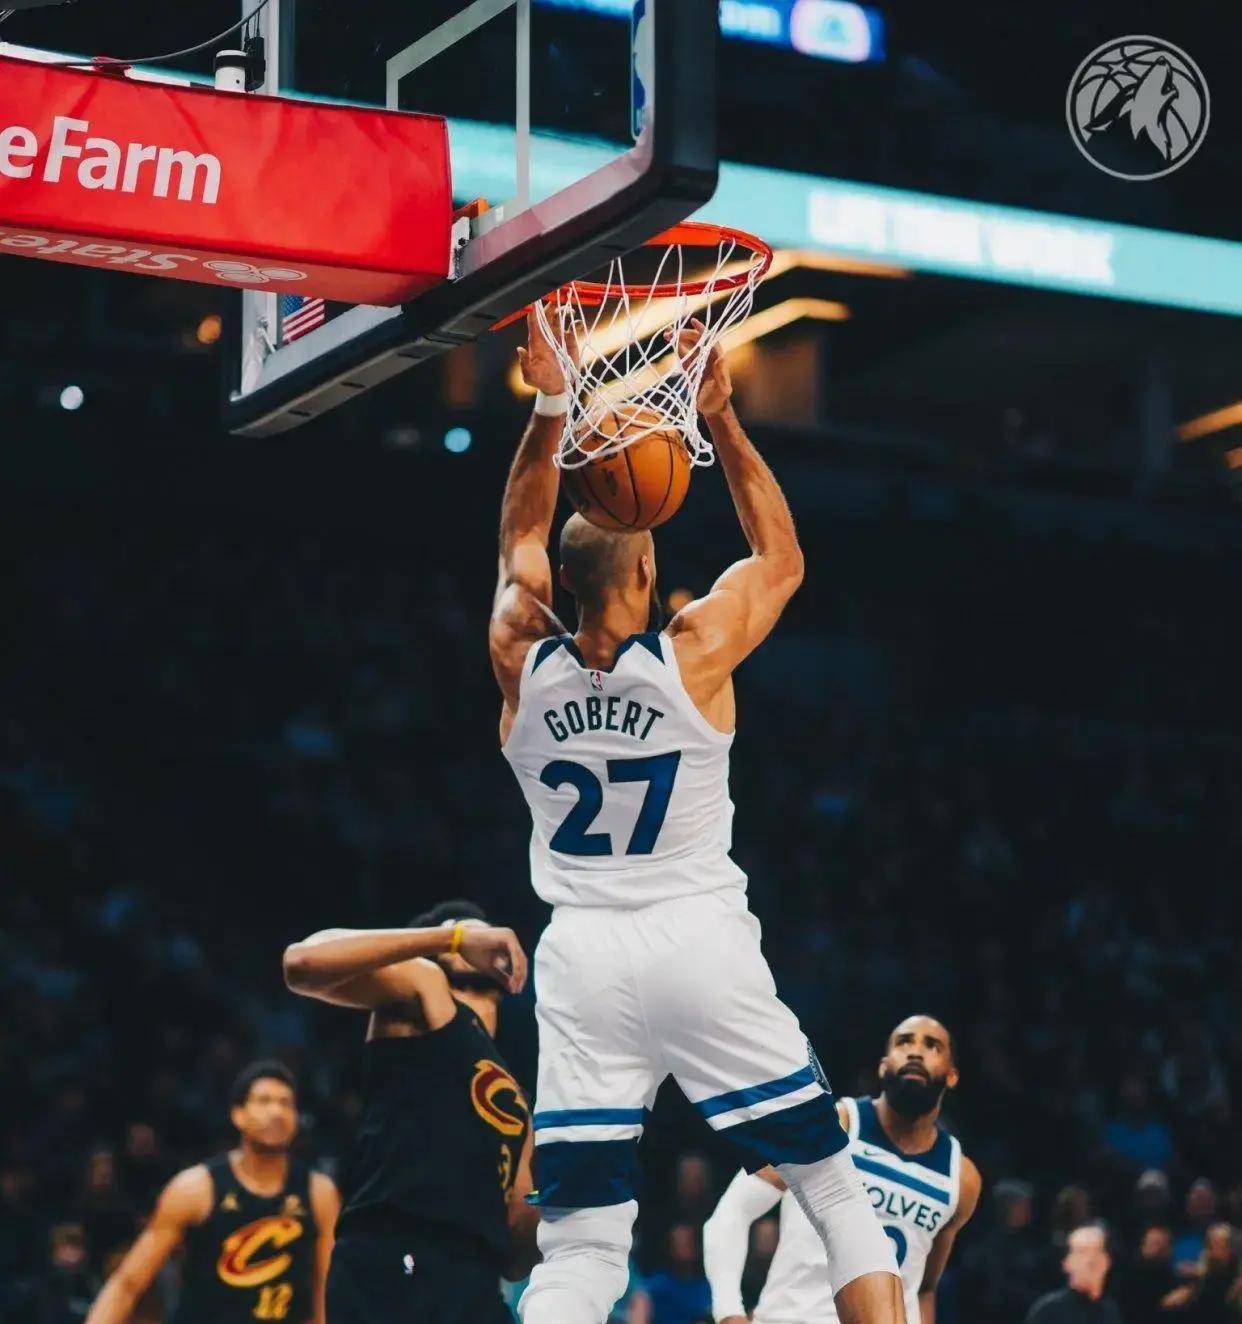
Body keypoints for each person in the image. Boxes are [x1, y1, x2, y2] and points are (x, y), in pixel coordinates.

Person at [490, 313, 903, 1324]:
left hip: (582, 955)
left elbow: (518, 544)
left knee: (582, 1242)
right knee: (831, 1185)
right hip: (694, 937)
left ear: (565, 582)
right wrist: (720, 418)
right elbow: (782, 558)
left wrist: (551, 407)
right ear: (644, 574)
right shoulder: (693, 656)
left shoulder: (520, 661)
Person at [282, 901, 536, 1324]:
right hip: (397, 1256)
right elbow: (301, 962)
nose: (484, 937)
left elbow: (517, 1256)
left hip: (477, 1282)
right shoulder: (427, 986)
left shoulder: (518, 1097)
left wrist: (563, 1196)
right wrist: (452, 937)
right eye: (468, 931)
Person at [703, 1015, 981, 1324]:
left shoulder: (961, 1177)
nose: (915, 1052)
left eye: (932, 1045)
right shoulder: (833, 1126)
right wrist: (728, 1313)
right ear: (883, 1066)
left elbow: (924, 1289)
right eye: (904, 1042)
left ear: (952, 1075)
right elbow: (732, 1213)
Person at [85, 1061, 338, 1324]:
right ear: (238, 1115)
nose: (276, 1112)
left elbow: (328, 1295)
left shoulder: (320, 1193)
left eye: (286, 1103)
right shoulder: (193, 1189)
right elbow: (127, 1284)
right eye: (264, 1101)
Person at [1024, 1224, 1121, 1324]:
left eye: (1097, 1251)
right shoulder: (1048, 1312)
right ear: (1067, 1262)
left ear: (1106, 1261)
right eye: (1082, 1252)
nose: (1090, 1259)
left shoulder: (1111, 1313)